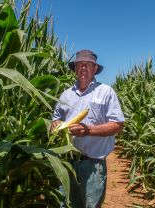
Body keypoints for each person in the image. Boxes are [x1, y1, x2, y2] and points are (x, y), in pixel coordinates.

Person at [51, 49, 125, 208]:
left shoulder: (106, 92)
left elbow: (118, 125)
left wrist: (88, 130)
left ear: (95, 69)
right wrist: (56, 125)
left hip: (93, 165)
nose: (83, 68)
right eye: (80, 65)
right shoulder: (66, 95)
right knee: (67, 204)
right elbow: (55, 119)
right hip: (68, 163)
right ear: (75, 69)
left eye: (88, 65)